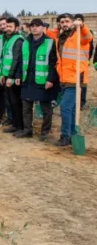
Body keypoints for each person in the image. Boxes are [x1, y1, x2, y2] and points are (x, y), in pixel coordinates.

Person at [55, 13, 92, 147]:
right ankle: (72, 133)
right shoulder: (60, 37)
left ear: (73, 22)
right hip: (64, 77)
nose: (64, 24)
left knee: (65, 107)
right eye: (62, 22)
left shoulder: (79, 34)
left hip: (76, 77)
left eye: (67, 21)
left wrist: (81, 25)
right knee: (70, 109)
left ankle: (65, 136)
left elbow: (88, 37)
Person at [20, 19, 58, 141]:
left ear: (43, 28)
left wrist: (51, 79)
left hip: (43, 81)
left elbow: (53, 63)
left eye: (37, 26)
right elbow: (22, 61)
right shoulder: (26, 42)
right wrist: (18, 76)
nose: (34, 28)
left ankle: (45, 132)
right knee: (26, 108)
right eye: (32, 26)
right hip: (27, 80)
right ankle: (27, 130)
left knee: (46, 109)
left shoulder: (50, 43)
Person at [0, 17, 24, 134]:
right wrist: (3, 74)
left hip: (13, 77)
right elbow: (5, 59)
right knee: (10, 101)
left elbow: (16, 60)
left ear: (17, 28)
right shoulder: (8, 39)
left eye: (10, 27)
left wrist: (10, 77)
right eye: (7, 26)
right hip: (7, 75)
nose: (7, 29)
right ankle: (14, 124)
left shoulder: (18, 40)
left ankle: (20, 126)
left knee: (16, 102)